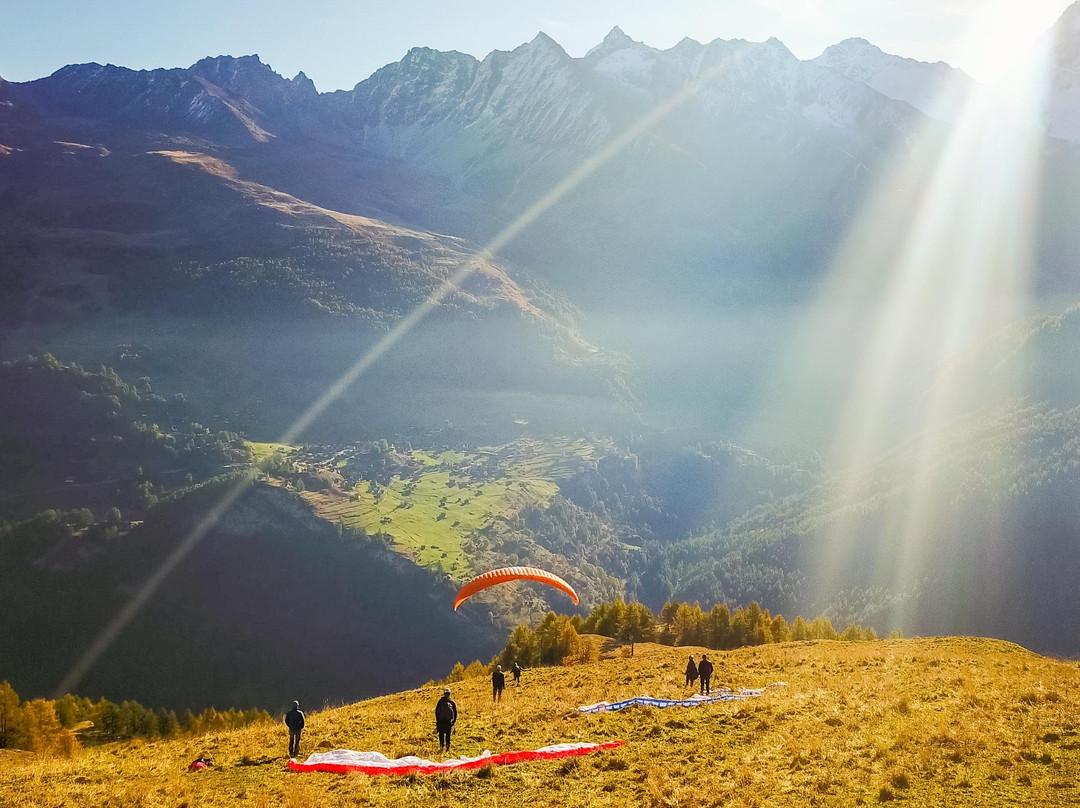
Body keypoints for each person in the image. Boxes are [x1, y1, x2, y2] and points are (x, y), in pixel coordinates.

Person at [435, 687, 457, 752]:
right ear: (449, 694)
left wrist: (438, 720)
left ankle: (442, 747)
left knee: (441, 735)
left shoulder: (440, 701)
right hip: (448, 722)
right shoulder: (452, 702)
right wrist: (453, 721)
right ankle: (447, 748)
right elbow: (455, 712)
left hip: (441, 721)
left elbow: (436, 711)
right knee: (448, 735)